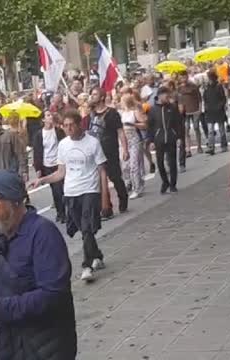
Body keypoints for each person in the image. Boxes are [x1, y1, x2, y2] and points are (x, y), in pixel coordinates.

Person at [0, 169, 76, 360]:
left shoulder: (43, 234)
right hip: (11, 346)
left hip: (48, 345)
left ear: (15, 201)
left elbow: (53, 294)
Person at [33, 110, 108, 282]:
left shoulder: (92, 143)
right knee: (83, 229)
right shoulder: (63, 145)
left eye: (71, 125)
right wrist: (42, 180)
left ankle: (87, 266)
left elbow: (102, 171)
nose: (68, 129)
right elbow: (60, 173)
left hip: (89, 190)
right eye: (65, 126)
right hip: (71, 192)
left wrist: (105, 197)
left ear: (79, 124)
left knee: (87, 227)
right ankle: (97, 255)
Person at [88, 87, 129, 217]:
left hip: (110, 149)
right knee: (99, 180)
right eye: (91, 94)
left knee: (115, 176)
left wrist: (125, 149)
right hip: (95, 152)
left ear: (101, 97)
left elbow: (120, 131)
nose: (92, 97)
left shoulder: (112, 113)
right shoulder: (92, 114)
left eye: (94, 94)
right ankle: (106, 207)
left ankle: (123, 198)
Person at [33, 110, 67, 222]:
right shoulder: (39, 134)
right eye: (47, 115)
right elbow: (37, 152)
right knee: (55, 190)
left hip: (59, 163)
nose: (50, 117)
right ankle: (60, 212)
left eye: (51, 115)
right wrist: (38, 169)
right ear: (43, 120)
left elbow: (64, 145)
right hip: (47, 165)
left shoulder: (58, 131)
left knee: (61, 189)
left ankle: (64, 212)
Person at [148, 86, 183, 194]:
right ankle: (165, 181)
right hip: (159, 139)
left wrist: (179, 137)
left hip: (171, 137)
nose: (168, 98)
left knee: (172, 162)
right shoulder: (153, 110)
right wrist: (151, 140)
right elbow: (150, 125)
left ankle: (173, 184)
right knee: (160, 162)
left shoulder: (172, 107)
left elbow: (178, 123)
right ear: (159, 96)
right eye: (166, 96)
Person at [119, 94, 147, 199]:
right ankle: (130, 182)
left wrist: (133, 125)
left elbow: (144, 124)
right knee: (125, 165)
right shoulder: (122, 113)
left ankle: (137, 188)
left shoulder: (134, 112)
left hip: (135, 139)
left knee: (134, 165)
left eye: (122, 101)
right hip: (125, 141)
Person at [178, 71, 203, 155]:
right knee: (186, 130)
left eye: (184, 77)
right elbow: (179, 100)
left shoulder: (193, 86)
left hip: (195, 109)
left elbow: (199, 98)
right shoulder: (179, 88)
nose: (183, 79)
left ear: (187, 77)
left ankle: (199, 146)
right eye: (181, 77)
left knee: (196, 127)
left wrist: (200, 108)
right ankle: (188, 149)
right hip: (185, 111)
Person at [203, 71, 228, 155]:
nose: (209, 80)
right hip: (210, 111)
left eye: (209, 78)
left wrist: (220, 106)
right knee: (210, 130)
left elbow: (223, 98)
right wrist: (206, 107)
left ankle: (224, 145)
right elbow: (205, 98)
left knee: (221, 129)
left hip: (218, 110)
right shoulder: (206, 87)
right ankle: (211, 147)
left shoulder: (219, 86)